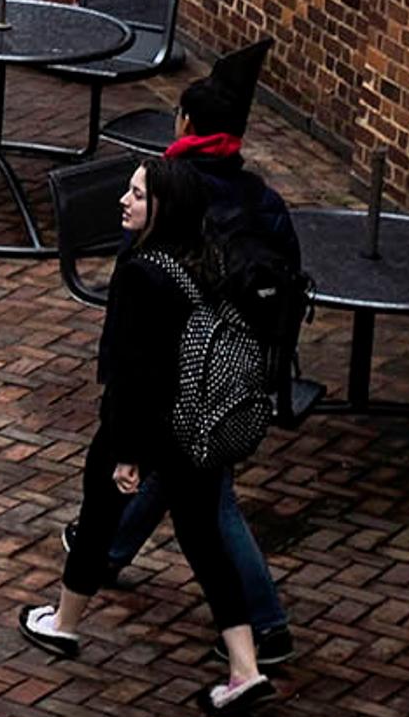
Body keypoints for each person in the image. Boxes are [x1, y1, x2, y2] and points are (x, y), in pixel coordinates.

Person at [19, 159, 276, 717]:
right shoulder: (210, 261)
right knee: (205, 540)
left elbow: (133, 370)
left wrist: (127, 451)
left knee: (97, 519)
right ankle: (245, 668)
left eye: (136, 194)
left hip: (143, 425)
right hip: (197, 425)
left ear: (161, 207)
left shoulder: (141, 273)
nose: (124, 201)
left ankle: (62, 624)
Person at [95, 75, 300, 659]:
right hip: (245, 363)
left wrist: (119, 377)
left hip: (185, 373)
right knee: (180, 471)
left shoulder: (174, 195)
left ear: (185, 123)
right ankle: (107, 550)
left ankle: (266, 626)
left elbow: (134, 296)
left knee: (211, 497)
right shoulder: (261, 197)